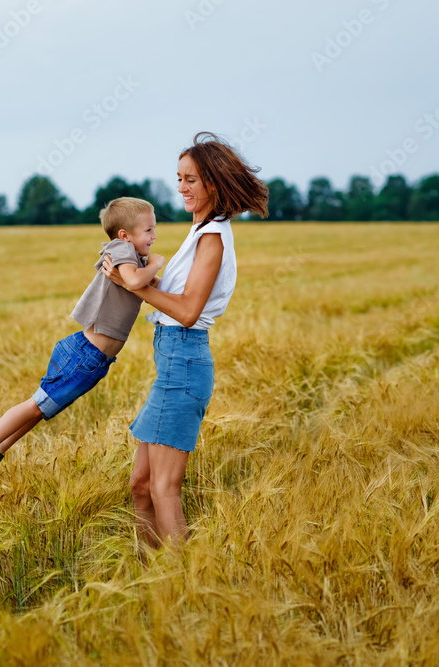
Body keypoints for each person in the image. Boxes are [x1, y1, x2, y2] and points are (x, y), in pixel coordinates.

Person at [102, 132, 268, 549]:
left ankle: (180, 586)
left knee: (162, 489)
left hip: (184, 362)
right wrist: (135, 276)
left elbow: (189, 310)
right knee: (141, 484)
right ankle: (150, 577)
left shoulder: (212, 236)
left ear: (212, 182)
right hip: (173, 362)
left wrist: (134, 285)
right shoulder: (201, 232)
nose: (181, 188)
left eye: (191, 179)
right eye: (179, 179)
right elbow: (175, 293)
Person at [0, 197, 164, 480]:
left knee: (39, 411)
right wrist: (158, 262)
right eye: (149, 230)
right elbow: (133, 282)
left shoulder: (134, 258)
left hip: (94, 360)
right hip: (83, 356)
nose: (155, 236)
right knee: (35, 406)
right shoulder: (122, 251)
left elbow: (152, 287)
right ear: (124, 235)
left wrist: (151, 270)